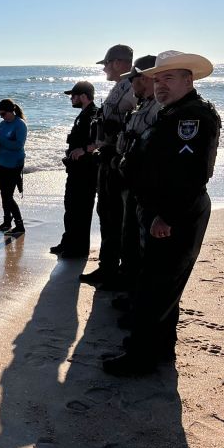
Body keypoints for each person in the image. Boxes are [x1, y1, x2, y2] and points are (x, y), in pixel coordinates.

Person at [103, 51, 221, 376]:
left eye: (169, 78)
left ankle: (140, 358)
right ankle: (158, 350)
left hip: (174, 214)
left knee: (155, 288)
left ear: (189, 79)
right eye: (157, 79)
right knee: (161, 288)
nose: (160, 85)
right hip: (161, 210)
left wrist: (166, 216)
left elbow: (192, 175)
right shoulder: (174, 112)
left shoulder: (192, 118)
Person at [79, 44, 137, 288]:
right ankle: (108, 267)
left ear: (116, 62)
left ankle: (118, 272)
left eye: (105, 64)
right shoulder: (120, 87)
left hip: (117, 159)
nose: (104, 69)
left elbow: (134, 125)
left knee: (116, 218)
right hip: (108, 157)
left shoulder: (133, 86)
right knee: (107, 215)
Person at [115, 54, 160, 288]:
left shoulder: (158, 109)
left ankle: (139, 297)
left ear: (144, 78)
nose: (131, 85)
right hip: (134, 184)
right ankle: (131, 290)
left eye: (133, 79)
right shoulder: (142, 105)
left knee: (144, 245)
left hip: (147, 187)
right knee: (130, 238)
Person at [50, 81, 98, 258]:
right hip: (76, 170)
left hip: (86, 172)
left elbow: (100, 140)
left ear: (84, 96)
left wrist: (83, 150)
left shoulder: (93, 114)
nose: (71, 99)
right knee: (70, 207)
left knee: (81, 210)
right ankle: (68, 242)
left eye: (74, 95)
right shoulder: (84, 114)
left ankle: (78, 249)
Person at [0, 99, 27, 236]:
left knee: (8, 196)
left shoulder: (20, 125)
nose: (1, 117)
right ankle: (6, 222)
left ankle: (19, 225)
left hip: (14, 164)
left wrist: (1, 141)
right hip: (1, 162)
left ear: (11, 111)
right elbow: (2, 143)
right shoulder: (2, 125)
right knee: (4, 194)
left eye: (3, 114)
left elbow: (18, 145)